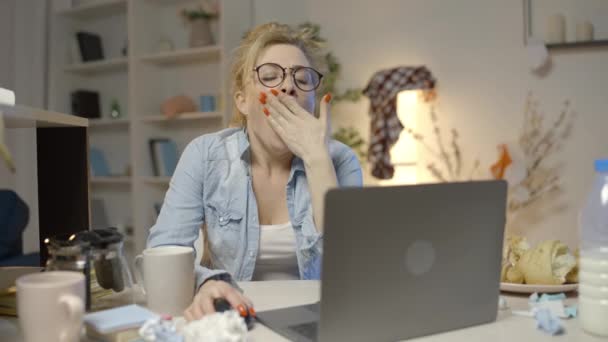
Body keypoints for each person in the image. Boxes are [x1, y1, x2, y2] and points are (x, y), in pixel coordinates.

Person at [147, 22, 363, 321]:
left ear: (313, 101)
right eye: (271, 76)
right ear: (243, 100)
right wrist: (207, 282)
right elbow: (163, 251)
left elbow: (351, 271)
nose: (288, 87)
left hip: (318, 322)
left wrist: (317, 158)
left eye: (303, 79)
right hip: (232, 320)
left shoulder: (340, 160)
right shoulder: (206, 155)